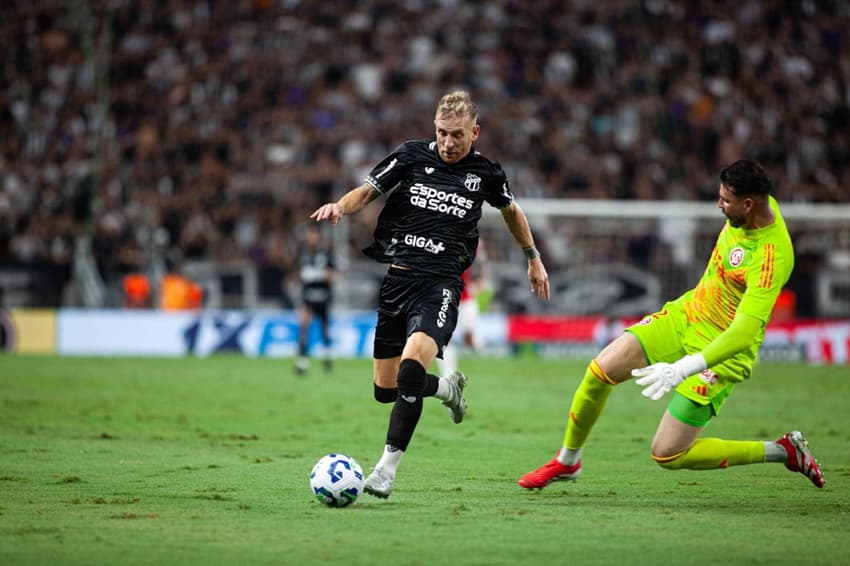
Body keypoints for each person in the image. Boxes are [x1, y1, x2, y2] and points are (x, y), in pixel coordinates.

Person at [518, 160, 825, 491]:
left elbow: (744, 333)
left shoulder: (770, 257)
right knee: (600, 372)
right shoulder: (758, 204)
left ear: (748, 204)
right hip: (688, 315)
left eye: (725, 200)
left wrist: (682, 369)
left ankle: (783, 451)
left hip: (722, 350)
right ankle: (567, 460)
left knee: (668, 453)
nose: (719, 205)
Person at [311, 91, 550, 499]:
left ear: (474, 132)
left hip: (439, 285)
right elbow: (367, 191)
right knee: (385, 390)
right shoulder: (410, 156)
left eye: (457, 135)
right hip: (397, 281)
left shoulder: (487, 173)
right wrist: (340, 206)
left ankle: (385, 470)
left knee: (409, 370)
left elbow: (511, 210)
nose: (448, 142)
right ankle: (446, 389)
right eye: (441, 133)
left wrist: (533, 256)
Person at [436, 240, 488, 378]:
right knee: (444, 337)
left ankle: (483, 356)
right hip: (444, 297)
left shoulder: (473, 240)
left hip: (465, 298)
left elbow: (480, 262)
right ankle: (448, 375)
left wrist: (480, 280)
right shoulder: (438, 238)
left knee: (469, 337)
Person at [294, 226, 337, 375]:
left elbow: (334, 273)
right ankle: (302, 363)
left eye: (314, 235)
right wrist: (320, 274)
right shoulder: (302, 253)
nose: (312, 238)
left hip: (324, 297)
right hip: (308, 297)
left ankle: (327, 359)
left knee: (324, 330)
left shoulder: (326, 254)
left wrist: (321, 275)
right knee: (304, 328)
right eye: (309, 235)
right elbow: (301, 274)